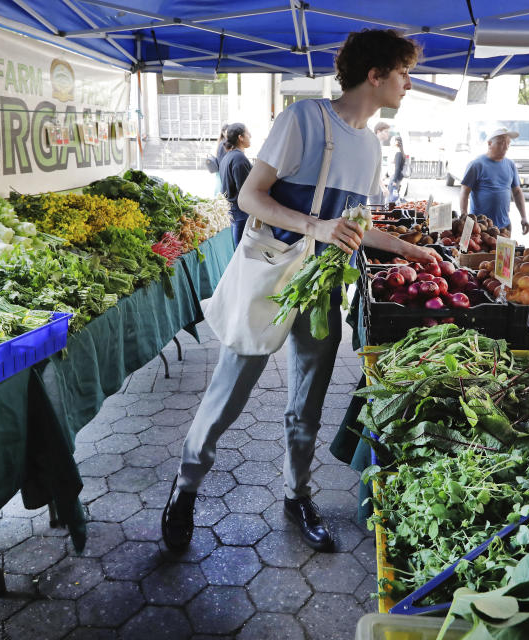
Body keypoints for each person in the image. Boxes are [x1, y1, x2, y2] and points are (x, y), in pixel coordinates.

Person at [161, 28, 439, 554]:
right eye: (404, 73)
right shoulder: (303, 120)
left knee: (309, 400)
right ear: (375, 74)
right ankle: (185, 488)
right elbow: (251, 197)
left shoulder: (370, 147)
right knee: (229, 393)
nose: (409, 84)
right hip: (271, 273)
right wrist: (318, 228)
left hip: (322, 284)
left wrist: (407, 250)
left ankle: (297, 494)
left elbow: (352, 224)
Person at [458, 128, 529, 235]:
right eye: (501, 143)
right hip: (481, 227)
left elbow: (517, 192)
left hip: (504, 226)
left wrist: (524, 217)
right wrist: (464, 216)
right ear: (489, 143)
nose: (505, 147)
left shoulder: (510, 165)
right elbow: (464, 191)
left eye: (508, 143)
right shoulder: (477, 165)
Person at [218, 123, 253, 246]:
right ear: (240, 137)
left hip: (233, 212)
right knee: (242, 250)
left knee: (238, 249)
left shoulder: (229, 157)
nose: (251, 136)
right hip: (241, 213)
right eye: (248, 133)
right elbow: (245, 191)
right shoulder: (239, 158)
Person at [210, 124, 229, 196]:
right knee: (220, 186)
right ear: (223, 133)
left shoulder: (222, 142)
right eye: (228, 132)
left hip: (220, 168)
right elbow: (222, 159)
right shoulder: (224, 143)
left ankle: (217, 198)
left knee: (219, 185)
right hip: (221, 169)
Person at [388, 135, 405, 202]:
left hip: (394, 177)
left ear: (396, 142)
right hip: (394, 177)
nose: (390, 142)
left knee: (392, 197)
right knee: (392, 196)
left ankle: (391, 210)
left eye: (392, 140)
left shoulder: (398, 153)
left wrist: (394, 180)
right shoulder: (398, 152)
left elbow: (397, 168)